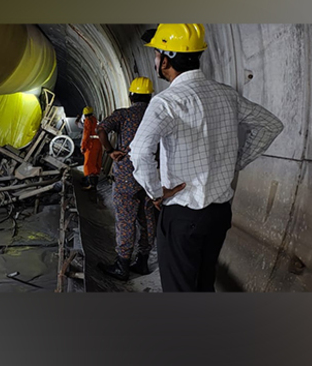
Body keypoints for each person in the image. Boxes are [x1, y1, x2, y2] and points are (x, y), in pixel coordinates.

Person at [129, 23, 284, 292]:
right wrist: (237, 161)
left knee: (180, 290)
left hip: (182, 214)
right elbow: (270, 125)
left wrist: (155, 192)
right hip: (219, 213)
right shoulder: (226, 94)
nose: (155, 60)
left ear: (165, 60)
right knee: (203, 284)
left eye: (156, 54)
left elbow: (140, 152)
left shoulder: (167, 102)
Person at [96, 77, 158, 281]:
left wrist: (110, 151)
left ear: (131, 95)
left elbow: (101, 129)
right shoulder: (156, 114)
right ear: (150, 96)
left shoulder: (123, 114)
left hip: (126, 176)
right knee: (147, 217)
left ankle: (122, 264)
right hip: (150, 175)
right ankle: (142, 260)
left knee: (125, 219)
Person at [75, 106, 102, 190]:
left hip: (91, 144)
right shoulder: (95, 120)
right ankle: (93, 182)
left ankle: (90, 184)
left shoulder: (88, 121)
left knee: (88, 164)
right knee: (96, 163)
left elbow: (86, 134)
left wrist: (83, 146)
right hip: (98, 143)